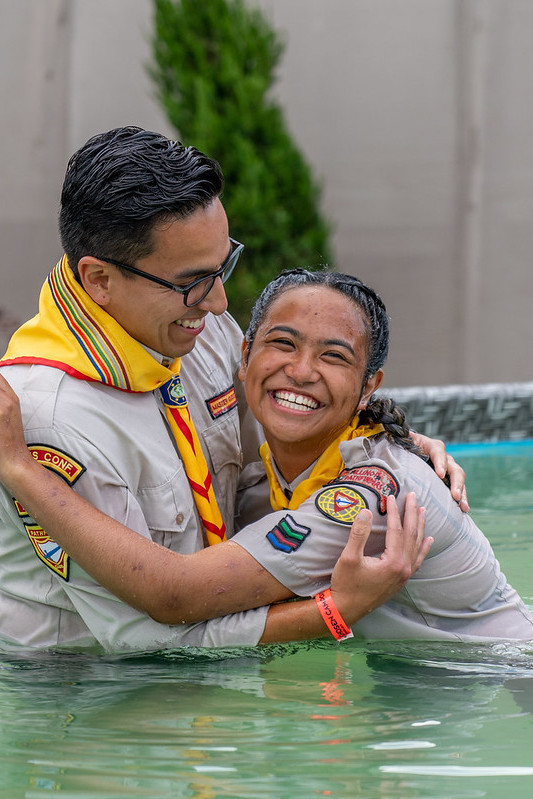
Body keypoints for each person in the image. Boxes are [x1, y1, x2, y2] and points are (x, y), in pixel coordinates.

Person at [0, 126, 450, 653]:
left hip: (212, 669)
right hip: (91, 696)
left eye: (223, 266)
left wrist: (382, 445)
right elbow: (142, 634)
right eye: (193, 281)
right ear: (98, 279)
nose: (218, 303)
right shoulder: (47, 418)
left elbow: (272, 452)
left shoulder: (192, 327)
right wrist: (330, 614)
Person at [1, 269, 531, 643]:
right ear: (245, 354)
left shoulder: (366, 500)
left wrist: (19, 466)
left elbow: (175, 596)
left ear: (368, 386)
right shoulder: (269, 480)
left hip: (499, 679)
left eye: (333, 356)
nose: (300, 371)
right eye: (283, 344)